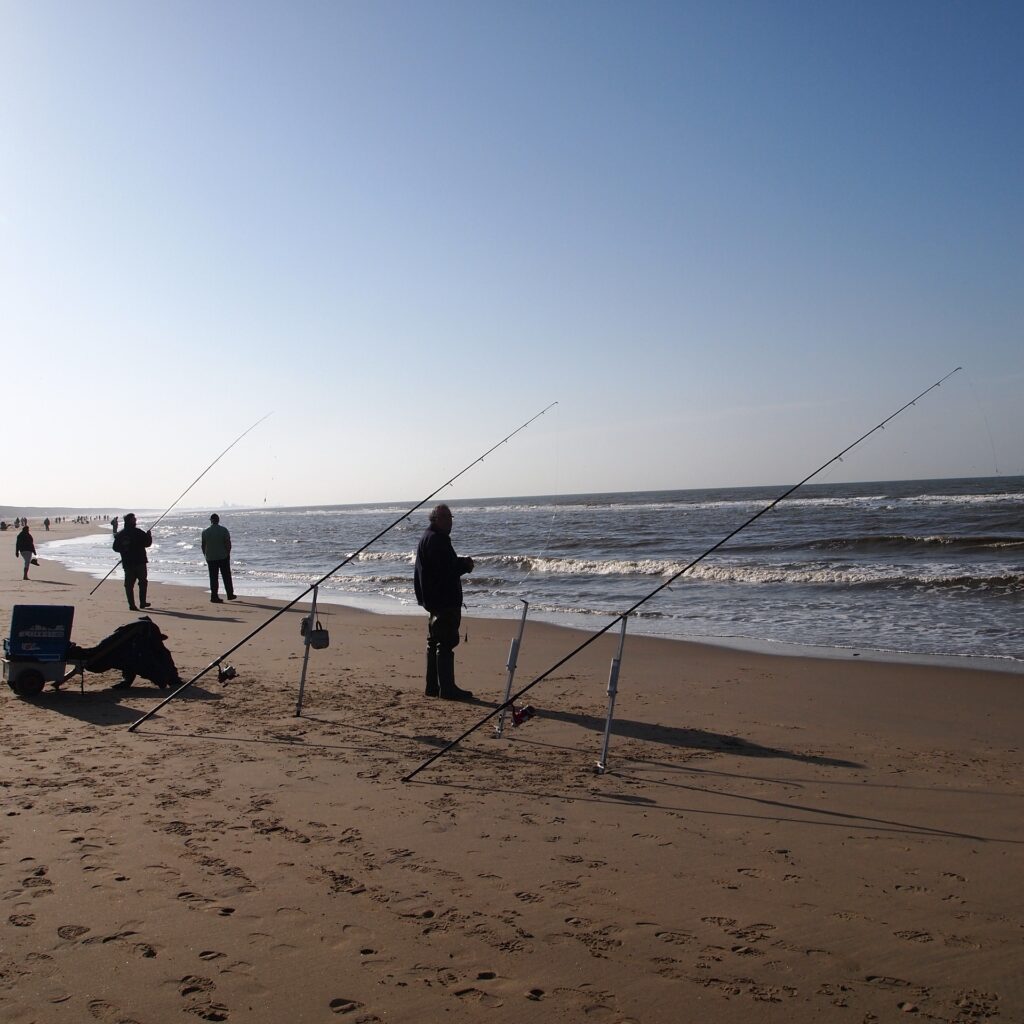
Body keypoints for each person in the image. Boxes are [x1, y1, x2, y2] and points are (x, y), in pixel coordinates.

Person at [413, 503, 474, 701]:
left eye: (450, 517)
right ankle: (447, 688)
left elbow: (440, 567)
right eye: (445, 517)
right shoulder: (436, 540)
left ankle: (433, 686)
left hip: (433, 599)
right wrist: (465, 565)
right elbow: (446, 570)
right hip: (443, 599)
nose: (449, 521)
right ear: (435, 519)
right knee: (446, 641)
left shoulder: (429, 537)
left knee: (435, 641)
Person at [112, 513, 152, 611]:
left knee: (129, 585)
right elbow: (147, 543)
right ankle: (142, 602)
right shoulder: (138, 532)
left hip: (128, 562)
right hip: (139, 562)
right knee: (142, 582)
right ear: (130, 521)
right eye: (134, 519)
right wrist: (149, 536)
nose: (136, 520)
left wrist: (124, 549)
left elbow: (115, 547)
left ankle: (133, 605)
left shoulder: (121, 534)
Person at [201, 513, 236, 603]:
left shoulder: (205, 532)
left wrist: (205, 555)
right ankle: (230, 594)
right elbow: (228, 543)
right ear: (218, 520)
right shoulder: (224, 530)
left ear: (211, 521)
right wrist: (228, 553)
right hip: (223, 556)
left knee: (213, 578)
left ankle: (214, 596)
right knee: (226, 576)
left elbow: (203, 545)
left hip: (211, 557)